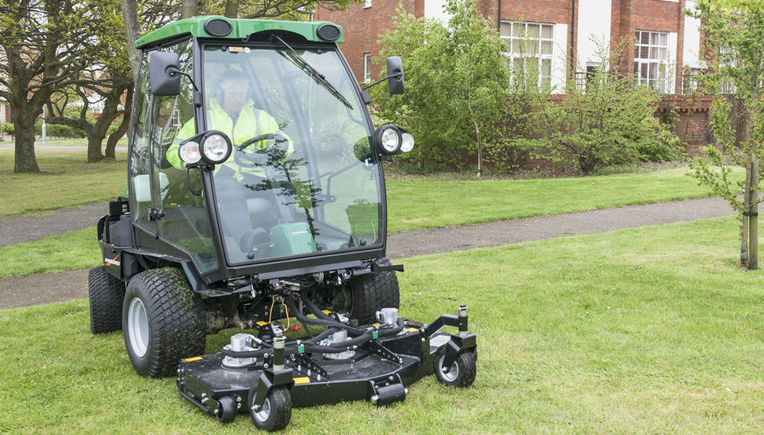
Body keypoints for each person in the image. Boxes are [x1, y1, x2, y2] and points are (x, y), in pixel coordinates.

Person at [166, 68, 295, 261]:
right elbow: (174, 152)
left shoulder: (261, 118)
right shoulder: (203, 121)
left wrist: (275, 152)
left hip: (255, 179)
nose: (238, 98)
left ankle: (290, 236)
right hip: (218, 181)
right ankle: (248, 240)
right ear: (220, 93)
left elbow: (285, 143)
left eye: (242, 94)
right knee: (229, 188)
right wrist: (197, 155)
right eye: (233, 94)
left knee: (285, 186)